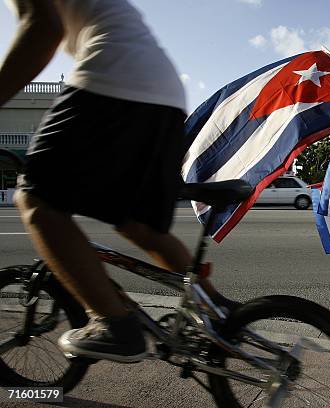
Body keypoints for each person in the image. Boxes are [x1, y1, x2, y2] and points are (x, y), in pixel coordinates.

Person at [0, 0, 232, 363]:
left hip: (112, 75)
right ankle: (218, 311)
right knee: (138, 223)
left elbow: (42, 27)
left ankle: (114, 324)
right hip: (166, 94)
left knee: (36, 200)